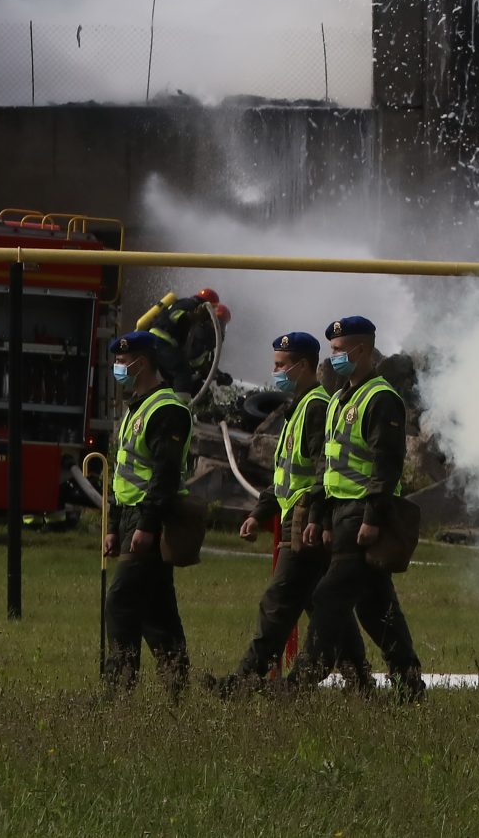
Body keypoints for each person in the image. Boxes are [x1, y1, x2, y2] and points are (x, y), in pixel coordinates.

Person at [299, 314, 425, 700]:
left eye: (339, 350)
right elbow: (328, 464)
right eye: (332, 351)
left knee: (328, 597)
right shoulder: (340, 398)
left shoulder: (381, 398)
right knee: (375, 607)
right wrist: (319, 516)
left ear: (363, 350)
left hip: (361, 515)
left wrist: (372, 518)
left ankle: (303, 679)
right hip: (339, 513)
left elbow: (386, 464)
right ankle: (409, 684)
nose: (333, 357)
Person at [213, 332, 335, 696]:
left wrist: (313, 516)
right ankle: (361, 682)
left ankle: (242, 683)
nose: (275, 371)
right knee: (324, 609)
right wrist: (259, 511)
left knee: (278, 603)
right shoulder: (297, 406)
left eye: (281, 365)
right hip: (289, 517)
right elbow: (283, 472)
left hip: (303, 522)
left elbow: (320, 469)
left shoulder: (314, 406)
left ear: (303, 365)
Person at [104, 330, 193, 695]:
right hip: (128, 518)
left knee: (122, 602)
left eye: (124, 362)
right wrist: (112, 525)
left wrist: (147, 525)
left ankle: (117, 691)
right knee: (157, 612)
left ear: (143, 362)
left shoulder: (166, 409)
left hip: (148, 520)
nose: (119, 368)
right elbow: (121, 470)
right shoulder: (135, 407)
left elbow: (165, 473)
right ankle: (178, 688)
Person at [138, 287, 229, 394]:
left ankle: (169, 405)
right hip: (161, 341)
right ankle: (180, 408)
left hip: (157, 342)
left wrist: (218, 375)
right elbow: (175, 317)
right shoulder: (190, 305)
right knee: (182, 372)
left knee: (173, 380)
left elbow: (197, 361)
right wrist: (192, 317)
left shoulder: (189, 308)